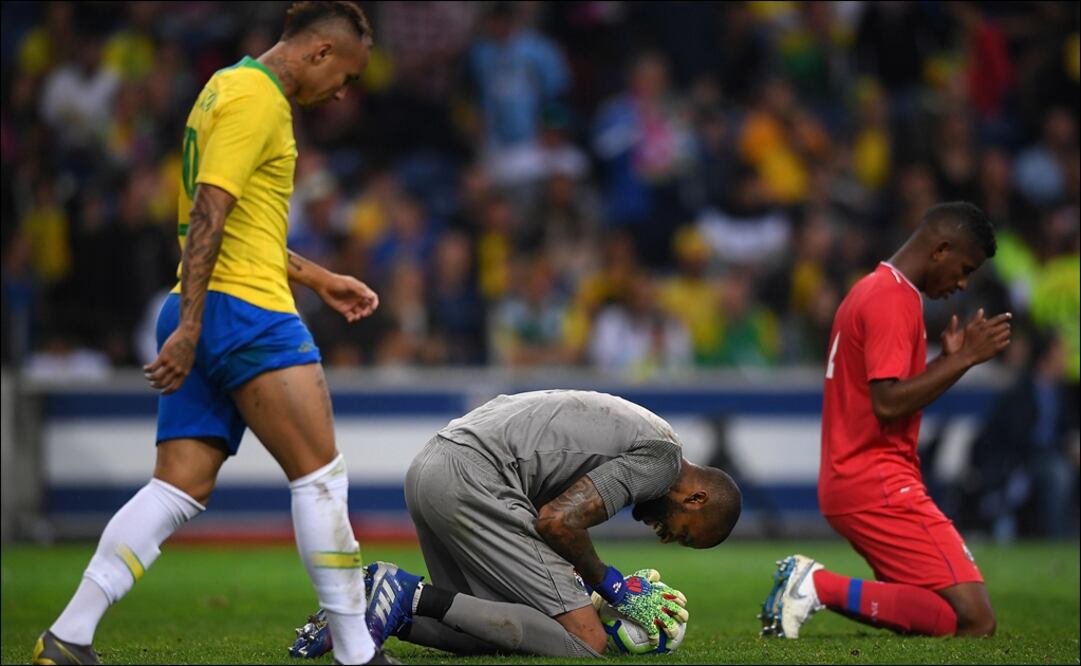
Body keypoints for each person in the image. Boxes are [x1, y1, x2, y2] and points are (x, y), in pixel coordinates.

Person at [33, 3, 392, 665]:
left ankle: (68, 636)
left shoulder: (223, 86)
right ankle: (355, 654)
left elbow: (234, 222)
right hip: (243, 314)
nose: (343, 92)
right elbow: (210, 210)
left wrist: (316, 278)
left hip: (206, 305)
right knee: (319, 478)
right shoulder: (260, 101)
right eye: (345, 75)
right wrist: (195, 326)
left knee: (177, 487)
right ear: (318, 53)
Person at [289, 389, 743, 658]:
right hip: (472, 476)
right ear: (696, 498)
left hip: (433, 465)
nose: (664, 537)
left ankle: (366, 608)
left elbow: (547, 501)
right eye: (680, 531)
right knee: (586, 641)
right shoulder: (662, 463)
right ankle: (405, 592)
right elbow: (557, 521)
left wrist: (581, 589)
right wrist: (612, 587)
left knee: (498, 627)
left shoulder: (654, 433)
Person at [760, 201, 1011, 639]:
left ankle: (815, 588)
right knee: (977, 619)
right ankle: (815, 585)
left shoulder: (872, 289)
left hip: (855, 477)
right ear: (941, 249)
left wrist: (945, 364)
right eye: (964, 268)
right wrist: (966, 359)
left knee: (943, 615)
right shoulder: (893, 299)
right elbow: (889, 404)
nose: (963, 283)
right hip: (879, 482)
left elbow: (883, 396)